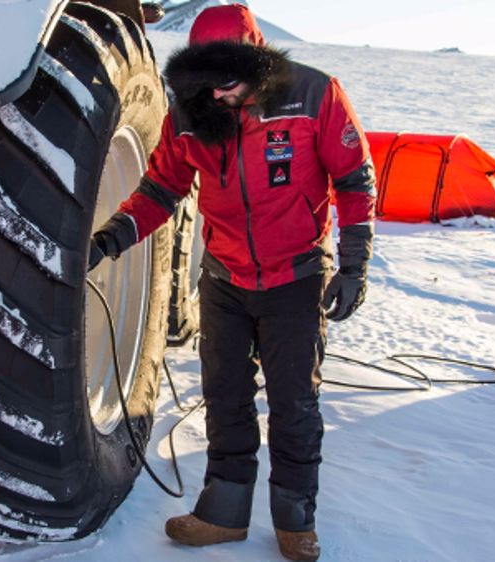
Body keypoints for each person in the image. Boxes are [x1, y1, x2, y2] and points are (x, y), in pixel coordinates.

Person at [87, 5, 376, 561]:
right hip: (223, 279)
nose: (219, 96)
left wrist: (354, 264)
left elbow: (353, 179)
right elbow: (160, 190)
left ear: (258, 63)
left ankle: (295, 520)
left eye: (230, 83)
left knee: (294, 404)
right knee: (225, 397)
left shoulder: (315, 96)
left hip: (295, 277)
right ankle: (223, 512)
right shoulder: (190, 113)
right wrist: (111, 239)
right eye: (206, 84)